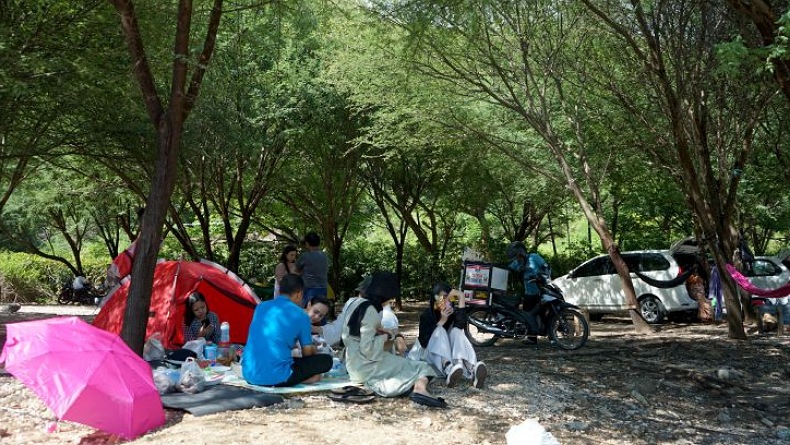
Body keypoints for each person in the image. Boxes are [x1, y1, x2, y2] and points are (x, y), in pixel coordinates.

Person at [342, 271, 445, 407]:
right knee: (422, 367)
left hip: (352, 363)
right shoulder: (372, 310)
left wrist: (379, 331)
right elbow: (368, 349)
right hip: (366, 366)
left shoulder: (354, 303)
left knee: (406, 364)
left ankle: (410, 386)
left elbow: (354, 332)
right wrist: (388, 336)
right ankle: (419, 389)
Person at [242, 274, 333, 386]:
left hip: (249, 373)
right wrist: (314, 350)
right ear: (299, 294)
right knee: (327, 360)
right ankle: (304, 380)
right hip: (276, 376)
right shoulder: (301, 316)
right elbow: (307, 354)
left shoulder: (261, 306)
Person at [411, 283, 488, 389]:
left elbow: (460, 325)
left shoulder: (451, 312)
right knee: (440, 331)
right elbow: (424, 342)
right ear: (435, 299)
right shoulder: (426, 315)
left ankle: (472, 369)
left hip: (448, 353)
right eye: (442, 298)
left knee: (456, 331)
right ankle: (449, 369)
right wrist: (442, 321)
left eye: (448, 298)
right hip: (429, 354)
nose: (445, 301)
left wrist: (460, 296)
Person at [296, 232, 329, 307]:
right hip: (323, 287)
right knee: (320, 311)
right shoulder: (324, 256)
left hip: (309, 288)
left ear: (307, 243)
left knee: (307, 312)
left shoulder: (305, 256)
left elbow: (296, 270)